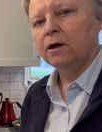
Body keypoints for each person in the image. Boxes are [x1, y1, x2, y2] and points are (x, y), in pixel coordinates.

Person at [19, 0, 102, 132]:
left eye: (65, 12)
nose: (49, 28)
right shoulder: (34, 96)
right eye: (39, 22)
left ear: (99, 17)